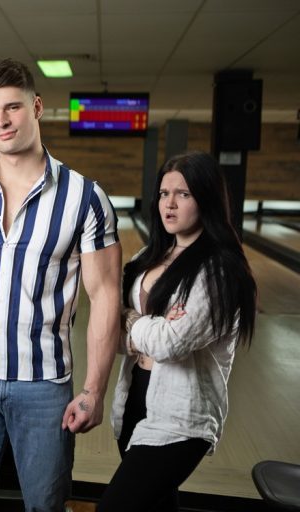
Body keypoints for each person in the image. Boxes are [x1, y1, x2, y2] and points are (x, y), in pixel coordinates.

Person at [0, 58, 122, 511]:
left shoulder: (85, 198)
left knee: (45, 507)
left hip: (44, 385)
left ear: (36, 107)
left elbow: (105, 296)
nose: (2, 121)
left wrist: (94, 390)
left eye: (12, 108)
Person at [98, 151, 257, 512]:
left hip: (181, 417)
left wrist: (130, 319)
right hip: (135, 399)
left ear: (206, 199)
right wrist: (148, 327)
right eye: (164, 193)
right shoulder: (145, 259)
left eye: (183, 194)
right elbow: (114, 333)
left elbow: (170, 344)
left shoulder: (218, 271)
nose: (169, 204)